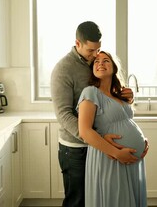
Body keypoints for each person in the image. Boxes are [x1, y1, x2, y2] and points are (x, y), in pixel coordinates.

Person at [50, 21, 136, 207]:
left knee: (96, 199)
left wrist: (125, 95)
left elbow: (104, 96)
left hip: (98, 147)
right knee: (77, 201)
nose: (96, 55)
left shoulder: (94, 62)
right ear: (77, 43)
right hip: (76, 150)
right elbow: (64, 114)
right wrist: (96, 138)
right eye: (91, 51)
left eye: (98, 50)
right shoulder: (63, 70)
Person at [77, 51, 148, 207]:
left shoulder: (117, 94)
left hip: (129, 159)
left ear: (114, 68)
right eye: (96, 61)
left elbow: (127, 122)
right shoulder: (90, 92)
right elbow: (85, 131)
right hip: (111, 157)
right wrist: (117, 153)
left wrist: (143, 140)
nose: (100, 63)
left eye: (106, 60)